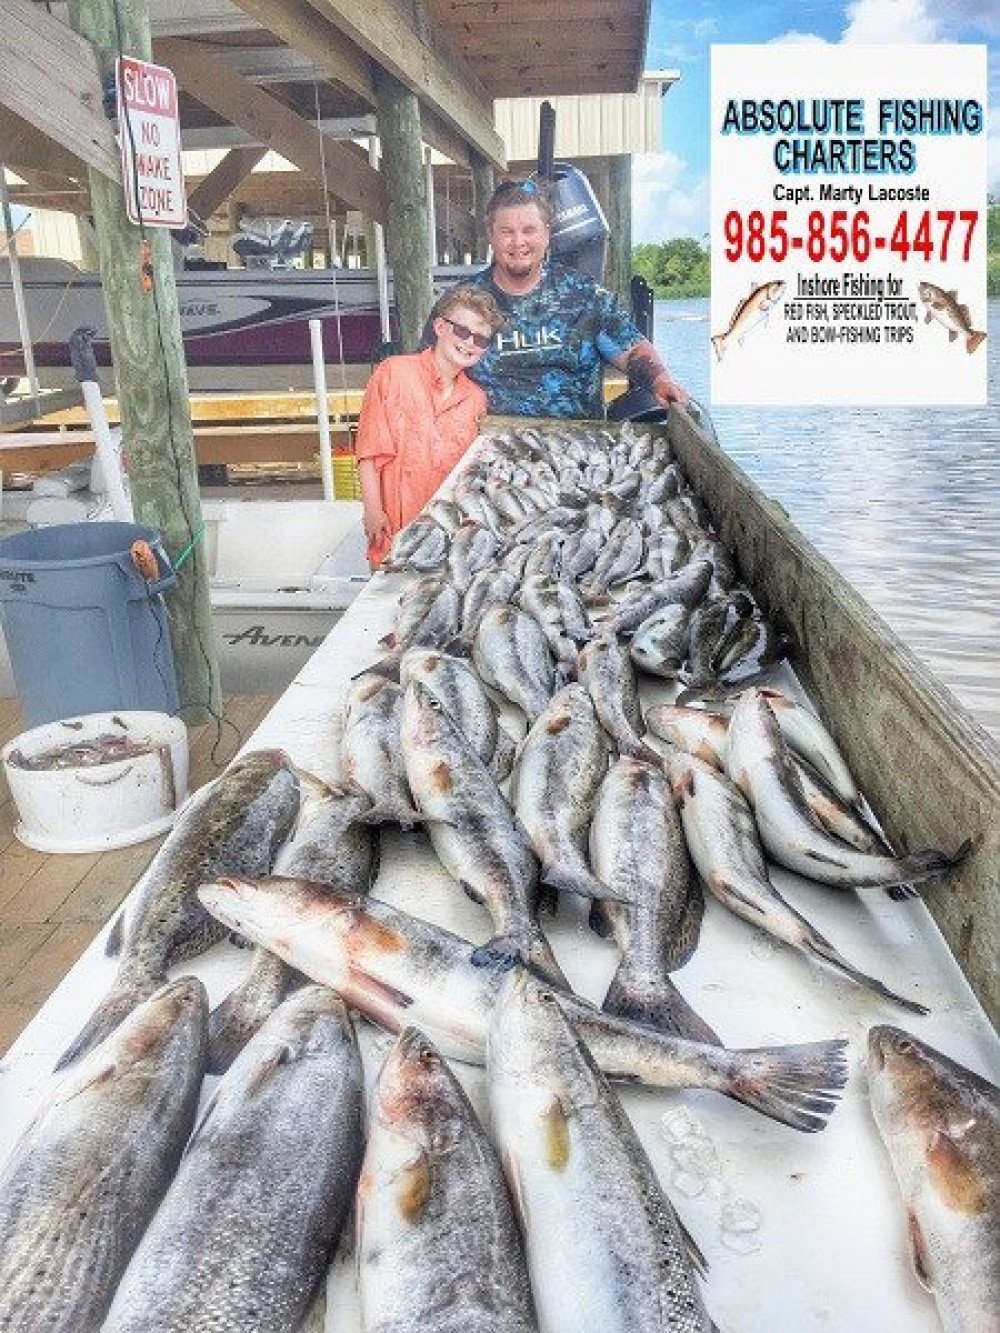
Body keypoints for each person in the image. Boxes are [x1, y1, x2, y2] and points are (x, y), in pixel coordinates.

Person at [449, 177, 688, 419]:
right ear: (491, 235)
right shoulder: (461, 302)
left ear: (546, 234)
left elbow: (631, 350)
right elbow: (430, 369)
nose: (518, 241)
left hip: (578, 444)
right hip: (493, 444)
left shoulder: (584, 295)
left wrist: (660, 380)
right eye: (507, 232)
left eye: (529, 230)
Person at [356, 285, 505, 568]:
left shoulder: (477, 399)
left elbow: (470, 478)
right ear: (439, 326)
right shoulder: (393, 372)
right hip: (394, 535)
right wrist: (373, 511)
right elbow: (368, 451)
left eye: (481, 340)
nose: (469, 343)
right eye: (462, 331)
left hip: (448, 543)